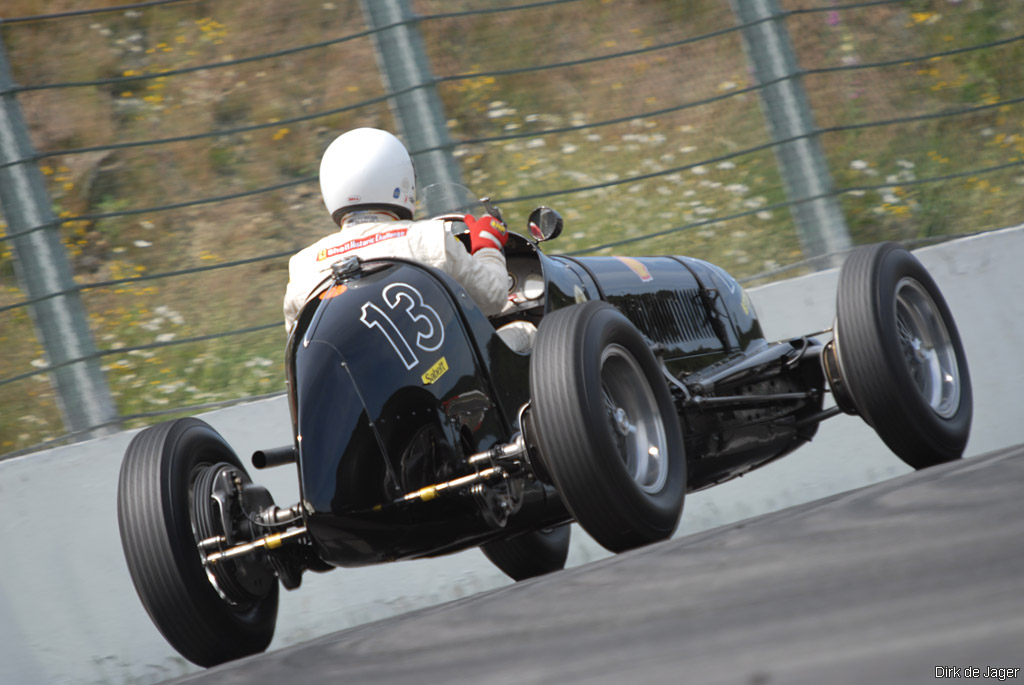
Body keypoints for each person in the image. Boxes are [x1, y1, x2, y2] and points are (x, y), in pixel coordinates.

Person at [283, 127, 535, 352]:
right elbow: (491, 298)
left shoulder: (302, 267)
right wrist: (487, 244)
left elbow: (300, 351)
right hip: (443, 377)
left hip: (359, 395)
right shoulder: (430, 237)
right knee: (527, 332)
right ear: (402, 182)